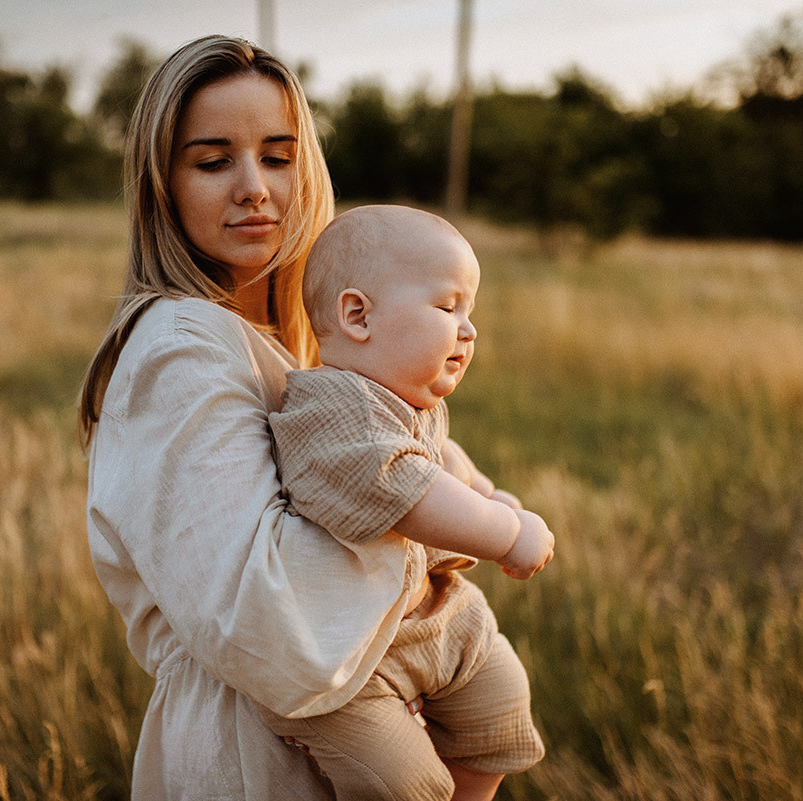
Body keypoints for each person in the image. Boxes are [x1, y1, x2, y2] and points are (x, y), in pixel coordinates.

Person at [79, 35, 533, 800]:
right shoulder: (181, 349)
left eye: (279, 156)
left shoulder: (305, 343)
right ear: (164, 183)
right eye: (213, 159)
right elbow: (268, 623)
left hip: (349, 709)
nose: (254, 186)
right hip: (255, 752)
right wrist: (435, 529)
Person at [257, 204, 552, 799]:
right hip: (345, 658)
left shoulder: (403, 404)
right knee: (402, 782)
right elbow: (408, 489)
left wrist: (486, 492)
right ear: (358, 315)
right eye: (448, 307)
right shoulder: (332, 412)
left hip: (428, 619)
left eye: (470, 311)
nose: (468, 329)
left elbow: (440, 461)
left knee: (501, 705)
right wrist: (505, 531)